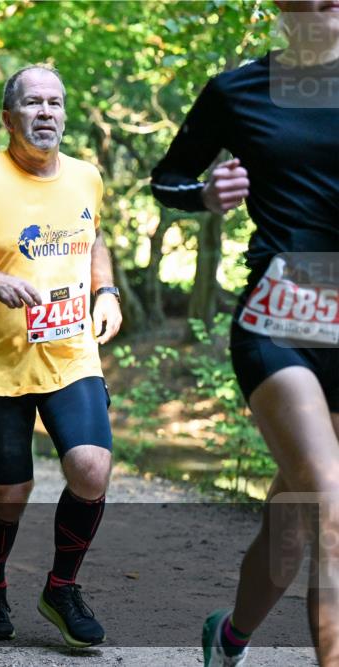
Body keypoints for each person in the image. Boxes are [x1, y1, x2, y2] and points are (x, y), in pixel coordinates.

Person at [151, 3, 339, 665]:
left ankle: (227, 636)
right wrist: (205, 194)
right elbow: (168, 175)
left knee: (294, 518)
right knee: (332, 502)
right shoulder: (239, 90)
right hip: (281, 310)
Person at [0, 65, 123, 648]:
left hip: (71, 354)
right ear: (9, 118)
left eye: (55, 103)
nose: (46, 113)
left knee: (91, 469)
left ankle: (61, 588)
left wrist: (106, 291)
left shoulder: (87, 177)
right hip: (4, 363)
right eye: (33, 103)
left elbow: (96, 240)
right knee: (11, 493)